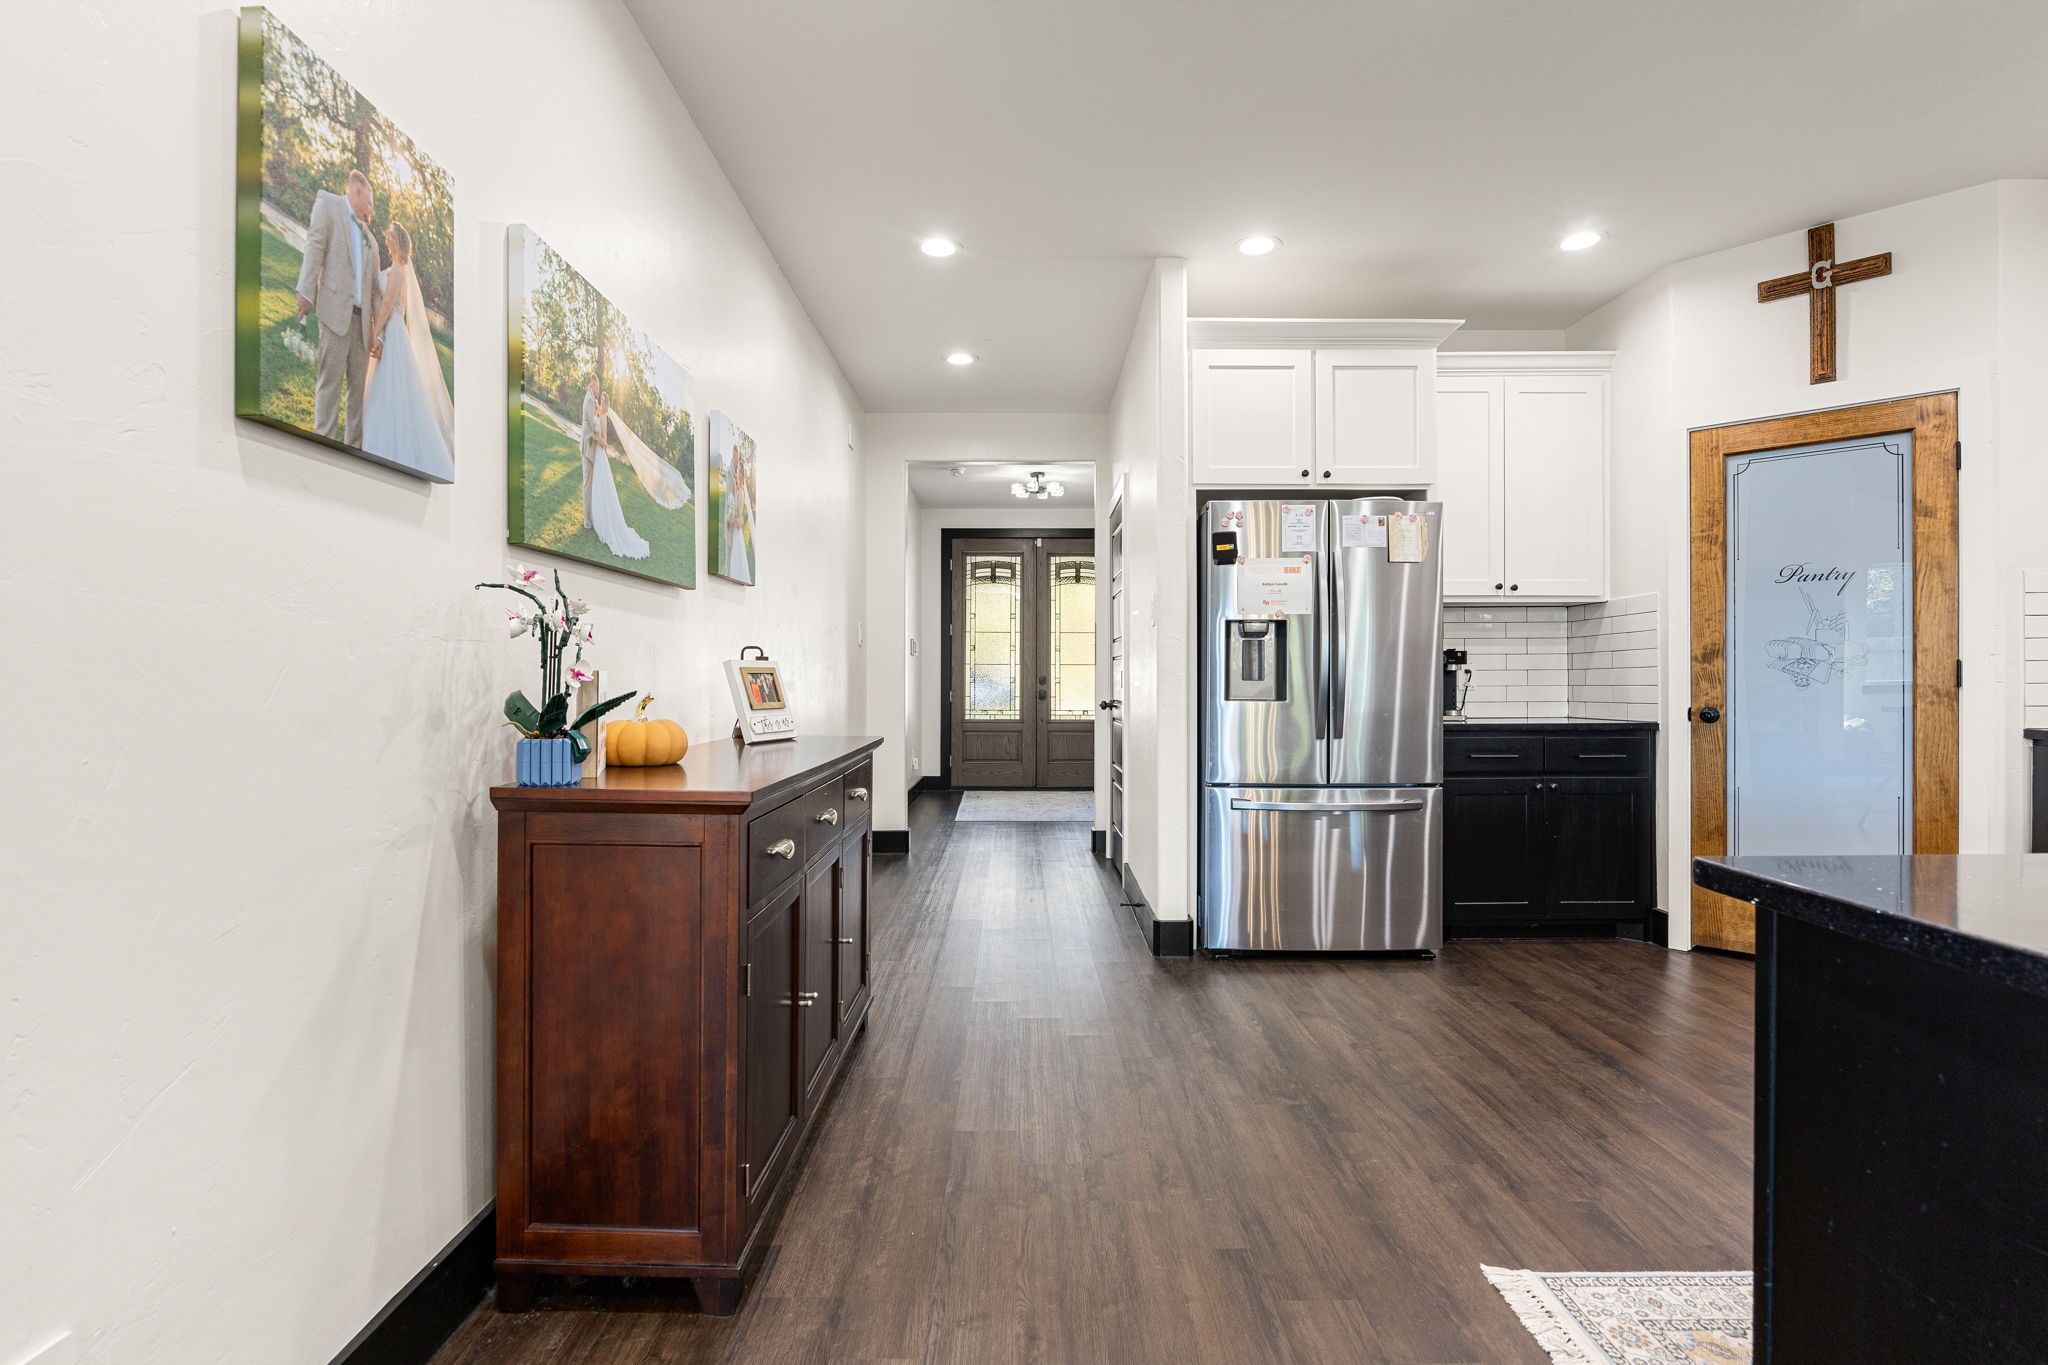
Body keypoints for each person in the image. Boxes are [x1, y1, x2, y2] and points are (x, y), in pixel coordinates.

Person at [360, 222, 454, 480]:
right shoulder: (390, 269)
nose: (386, 236)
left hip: (393, 334)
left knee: (395, 387)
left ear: (397, 240)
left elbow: (389, 302)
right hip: (387, 331)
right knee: (384, 386)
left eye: (389, 233)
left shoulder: (399, 271)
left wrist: (376, 333)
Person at [295, 169, 383, 447]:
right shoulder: (328, 205)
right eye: (369, 202)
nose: (371, 210)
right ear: (357, 191)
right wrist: (305, 291)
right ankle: (324, 442)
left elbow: (375, 291)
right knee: (330, 384)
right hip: (334, 315)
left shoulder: (372, 240)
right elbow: (314, 247)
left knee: (358, 394)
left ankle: (353, 448)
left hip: (361, 327)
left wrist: (377, 333)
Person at [581, 391, 650, 559]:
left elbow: (605, 443)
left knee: (602, 489)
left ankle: (605, 524)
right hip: (596, 456)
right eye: (601, 400)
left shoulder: (603, 418)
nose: (602, 403)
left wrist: (597, 437)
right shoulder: (598, 414)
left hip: (600, 455)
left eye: (604, 401)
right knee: (598, 489)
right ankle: (595, 519)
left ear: (607, 404)